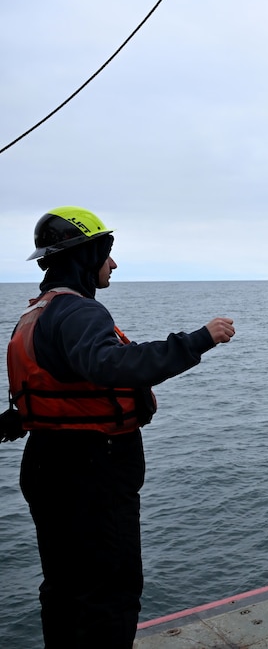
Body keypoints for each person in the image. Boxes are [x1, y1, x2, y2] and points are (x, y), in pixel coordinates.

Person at [6, 206, 235, 647]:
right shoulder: (80, 312)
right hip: (90, 470)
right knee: (108, 593)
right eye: (106, 254)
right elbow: (110, 364)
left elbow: (54, 387)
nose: (112, 264)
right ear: (84, 256)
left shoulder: (36, 313)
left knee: (65, 589)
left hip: (47, 462)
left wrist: (16, 421)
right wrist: (200, 339)